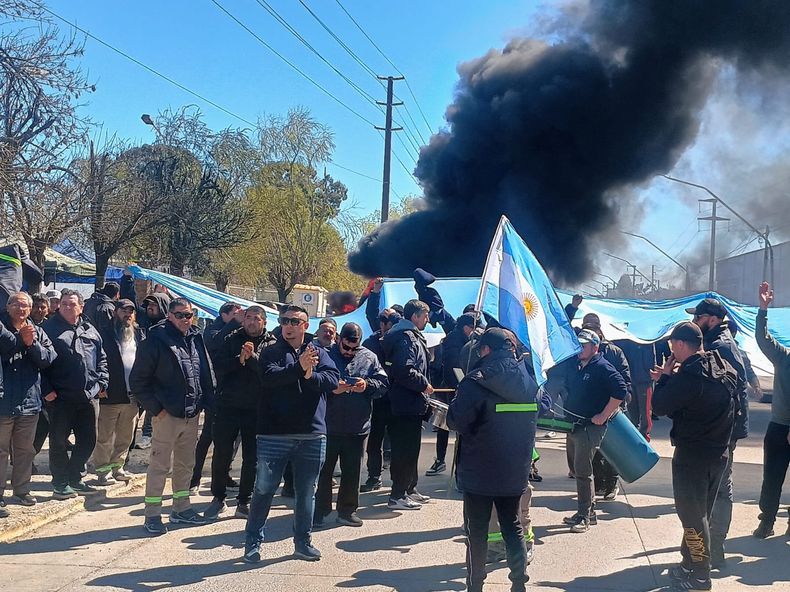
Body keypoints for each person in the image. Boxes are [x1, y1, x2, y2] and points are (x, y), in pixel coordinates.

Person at [243, 305, 339, 564]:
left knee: (307, 493)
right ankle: (252, 542)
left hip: (311, 435)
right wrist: (299, 368)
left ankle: (303, 542)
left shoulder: (318, 352)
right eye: (284, 321)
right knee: (264, 489)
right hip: (273, 434)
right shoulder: (271, 352)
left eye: (294, 321)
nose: (288, 326)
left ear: (305, 326)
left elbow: (332, 380)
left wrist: (309, 374)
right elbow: (269, 378)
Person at [447, 328, 537, 592]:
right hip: (514, 469)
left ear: (485, 350)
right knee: (513, 526)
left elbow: (456, 421)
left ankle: (475, 586)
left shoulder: (475, 381)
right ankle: (519, 584)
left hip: (479, 470)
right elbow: (541, 410)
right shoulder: (530, 380)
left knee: (476, 532)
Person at [651, 322, 736, 591]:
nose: (671, 351)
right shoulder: (723, 366)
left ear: (679, 344)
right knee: (701, 514)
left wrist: (665, 378)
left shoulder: (689, 376)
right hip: (719, 452)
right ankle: (689, 564)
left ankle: (700, 576)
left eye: (672, 345)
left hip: (692, 456)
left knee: (691, 517)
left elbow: (659, 406)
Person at [130, 298, 215, 535]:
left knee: (185, 464)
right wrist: (157, 409)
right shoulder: (155, 340)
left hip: (191, 414)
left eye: (189, 315)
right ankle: (152, 514)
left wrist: (206, 403)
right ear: (169, 316)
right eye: (180, 315)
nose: (185, 319)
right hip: (166, 415)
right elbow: (138, 381)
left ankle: (181, 508)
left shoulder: (196, 337)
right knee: (159, 466)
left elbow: (205, 372)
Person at [686, 297, 748, 567]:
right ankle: (710, 547)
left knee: (720, 488)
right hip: (718, 427)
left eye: (698, 317)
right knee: (712, 487)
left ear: (711, 319)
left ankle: (716, 547)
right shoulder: (713, 343)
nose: (694, 321)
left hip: (723, 429)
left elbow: (730, 391)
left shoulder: (721, 346)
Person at [203, 306, 276, 521]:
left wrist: (251, 358)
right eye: (249, 318)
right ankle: (218, 498)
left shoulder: (272, 344)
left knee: (252, 458)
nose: (252, 322)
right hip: (228, 406)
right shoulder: (231, 338)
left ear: (264, 322)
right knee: (222, 454)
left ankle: (244, 500)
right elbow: (217, 367)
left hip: (257, 409)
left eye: (257, 318)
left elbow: (269, 373)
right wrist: (239, 360)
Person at [315, 322, 388, 527]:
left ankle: (347, 511)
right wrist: (332, 387)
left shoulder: (369, 357)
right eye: (346, 347)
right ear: (339, 339)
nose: (349, 352)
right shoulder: (324, 354)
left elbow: (383, 384)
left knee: (352, 472)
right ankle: (319, 511)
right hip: (327, 425)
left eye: (354, 348)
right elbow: (312, 381)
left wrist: (367, 385)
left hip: (357, 426)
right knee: (323, 472)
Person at [42, 289, 109, 499]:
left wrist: (102, 382)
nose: (67, 307)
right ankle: (60, 483)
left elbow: (102, 358)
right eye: (64, 304)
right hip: (60, 398)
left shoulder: (90, 329)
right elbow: (38, 363)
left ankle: (76, 478)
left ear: (81, 307)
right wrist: (47, 390)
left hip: (89, 396)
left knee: (88, 440)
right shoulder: (48, 329)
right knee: (59, 441)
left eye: (72, 304)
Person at [562, 329, 627, 533]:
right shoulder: (580, 365)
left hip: (590, 427)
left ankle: (585, 516)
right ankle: (587, 512)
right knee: (578, 469)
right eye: (578, 345)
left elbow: (621, 390)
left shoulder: (602, 366)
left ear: (595, 347)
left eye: (584, 345)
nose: (579, 349)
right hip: (575, 424)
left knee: (583, 472)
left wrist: (604, 414)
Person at [0, 293, 57, 517]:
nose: (20, 308)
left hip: (29, 402)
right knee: (1, 451)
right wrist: (18, 341)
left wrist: (31, 343)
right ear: (7, 307)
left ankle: (22, 490)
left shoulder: (37, 331)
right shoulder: (2, 329)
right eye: (16, 304)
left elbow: (48, 358)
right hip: (3, 402)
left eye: (25, 305)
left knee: (25, 450)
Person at [382, 299, 434, 511]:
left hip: (410, 403)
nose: (427, 320)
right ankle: (398, 495)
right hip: (405, 403)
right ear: (415, 316)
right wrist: (424, 384)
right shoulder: (405, 337)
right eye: (425, 316)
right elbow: (404, 369)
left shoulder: (410, 336)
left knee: (411, 449)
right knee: (404, 450)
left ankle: (409, 488)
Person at [191, 301, 243, 493]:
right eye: (235, 314)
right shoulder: (212, 329)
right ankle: (194, 477)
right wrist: (235, 323)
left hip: (233, 390)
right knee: (208, 436)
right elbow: (215, 342)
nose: (239, 317)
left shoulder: (238, 331)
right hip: (215, 390)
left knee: (232, 438)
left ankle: (224, 474)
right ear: (224, 314)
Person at [93, 299, 145, 485]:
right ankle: (103, 471)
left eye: (131, 311)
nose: (127, 315)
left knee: (125, 437)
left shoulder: (139, 334)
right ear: (116, 312)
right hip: (110, 395)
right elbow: (96, 361)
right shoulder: (104, 334)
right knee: (104, 436)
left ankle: (118, 467)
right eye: (124, 311)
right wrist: (100, 385)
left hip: (132, 396)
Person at [753, 282, 790, 539]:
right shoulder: (783, 357)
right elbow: (762, 339)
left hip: (782, 426)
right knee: (772, 477)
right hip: (779, 427)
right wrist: (763, 310)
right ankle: (767, 521)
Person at [581, 314, 632, 501]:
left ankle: (612, 483)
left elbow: (624, 383)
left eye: (592, 328)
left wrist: (619, 405)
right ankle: (599, 483)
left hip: (611, 410)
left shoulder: (613, 352)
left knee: (612, 449)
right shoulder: (581, 351)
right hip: (591, 410)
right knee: (594, 452)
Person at [427, 312, 477, 476]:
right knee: (446, 425)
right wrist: (461, 386)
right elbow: (454, 367)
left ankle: (456, 463)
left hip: (458, 386)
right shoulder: (454, 341)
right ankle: (443, 461)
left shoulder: (463, 339)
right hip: (452, 388)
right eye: (473, 327)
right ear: (466, 327)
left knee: (452, 427)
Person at [360, 308, 400, 492]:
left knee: (397, 442)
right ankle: (374, 476)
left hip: (396, 399)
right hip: (376, 399)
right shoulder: (371, 342)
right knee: (374, 442)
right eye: (387, 323)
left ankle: (399, 481)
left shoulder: (401, 340)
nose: (389, 327)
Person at [133, 292, 172, 450]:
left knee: (152, 408)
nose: (150, 307)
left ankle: (147, 435)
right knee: (136, 411)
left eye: (154, 305)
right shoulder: (145, 321)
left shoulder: (167, 328)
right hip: (142, 374)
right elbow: (133, 301)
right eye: (149, 304)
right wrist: (128, 280)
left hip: (158, 377)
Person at [617, 339, 657, 440]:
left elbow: (651, 358)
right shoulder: (624, 337)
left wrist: (650, 373)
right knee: (632, 409)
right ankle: (634, 434)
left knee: (645, 410)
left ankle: (644, 435)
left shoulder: (646, 337)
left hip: (644, 379)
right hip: (630, 378)